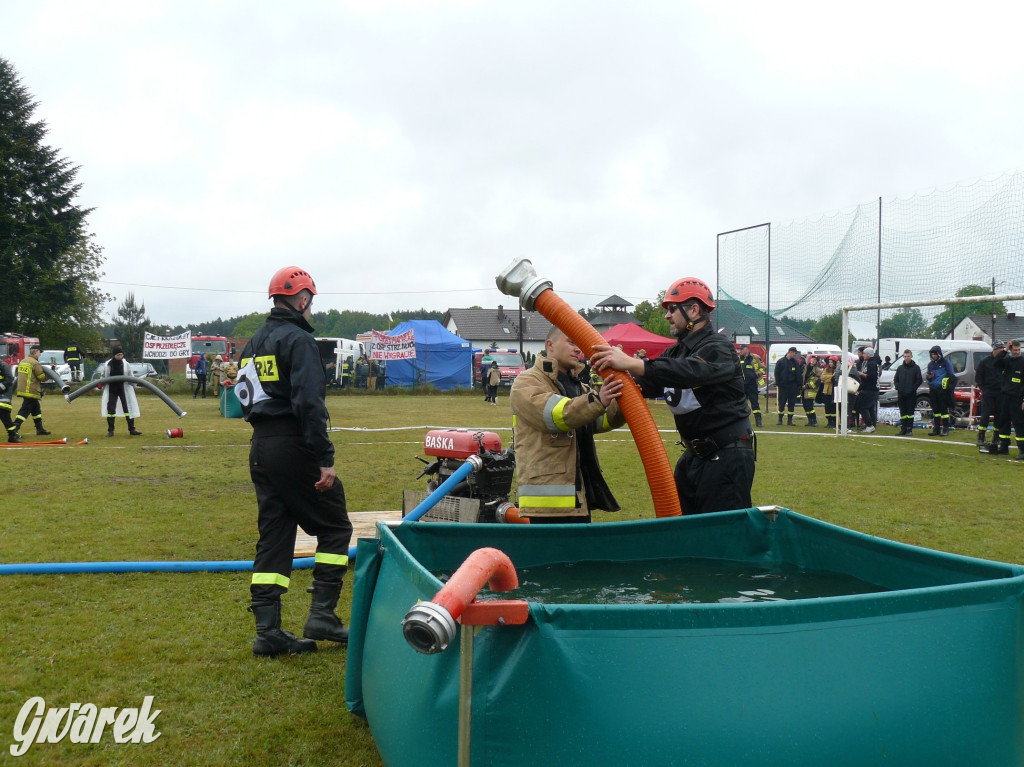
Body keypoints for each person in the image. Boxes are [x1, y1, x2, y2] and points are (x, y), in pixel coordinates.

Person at [238, 266, 352, 657]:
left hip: (261, 447)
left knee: (276, 534)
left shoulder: (253, 343)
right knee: (335, 525)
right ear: (302, 300)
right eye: (311, 302)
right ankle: (323, 614)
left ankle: (268, 632)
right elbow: (308, 403)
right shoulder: (300, 341)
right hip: (292, 445)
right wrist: (323, 459)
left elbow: (244, 399)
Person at [591, 277, 754, 516]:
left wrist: (635, 362)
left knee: (721, 538)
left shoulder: (718, 347)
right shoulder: (676, 351)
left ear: (694, 310)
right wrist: (617, 373)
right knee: (681, 530)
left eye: (672, 309)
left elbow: (689, 372)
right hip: (695, 456)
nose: (667, 316)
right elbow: (650, 381)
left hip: (727, 456)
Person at [511, 327, 625, 523]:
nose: (578, 349)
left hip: (578, 497)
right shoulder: (527, 382)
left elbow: (599, 420)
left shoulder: (577, 386)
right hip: (546, 504)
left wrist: (624, 401)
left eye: (579, 344)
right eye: (571, 342)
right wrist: (598, 400)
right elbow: (559, 415)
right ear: (550, 345)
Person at [10, 345, 51, 439]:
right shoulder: (35, 363)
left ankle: (40, 429)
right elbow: (41, 377)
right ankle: (14, 429)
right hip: (31, 391)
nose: (40, 354)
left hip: (23, 389)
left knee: (36, 409)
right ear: (35, 351)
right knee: (24, 411)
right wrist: (50, 374)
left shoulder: (23, 361)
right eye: (39, 352)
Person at [992, 339, 1024, 457]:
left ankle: (1022, 450)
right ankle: (1004, 446)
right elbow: (996, 363)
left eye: (1018, 350)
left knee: (1019, 424)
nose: (1017, 352)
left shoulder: (1022, 361)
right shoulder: (1007, 360)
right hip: (1005, 396)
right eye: (1014, 350)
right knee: (1003, 422)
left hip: (1017, 398)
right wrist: (1005, 350)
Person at [100, 346, 142, 436]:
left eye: (121, 354)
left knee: (128, 409)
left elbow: (130, 377)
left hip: (123, 389)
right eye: (118, 355)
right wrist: (100, 384)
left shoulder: (126, 364)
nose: (120, 356)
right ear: (114, 355)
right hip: (112, 390)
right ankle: (110, 430)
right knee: (111, 410)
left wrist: (136, 383)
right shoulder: (108, 364)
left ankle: (132, 429)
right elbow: (103, 377)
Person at [975, 341, 1005, 451]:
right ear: (994, 349)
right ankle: (981, 437)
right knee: (985, 414)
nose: (1002, 351)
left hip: (1001, 392)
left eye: (1003, 349)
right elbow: (978, 377)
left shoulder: (1004, 362)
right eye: (1000, 349)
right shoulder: (985, 362)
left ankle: (996, 437)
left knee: (999, 415)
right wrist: (983, 389)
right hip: (988, 391)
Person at [925, 345, 956, 436]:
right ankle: (936, 428)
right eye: (932, 354)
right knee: (935, 410)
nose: (933, 356)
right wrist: (929, 377)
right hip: (933, 389)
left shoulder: (946, 363)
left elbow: (951, 376)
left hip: (942, 389)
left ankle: (946, 429)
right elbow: (928, 377)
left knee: (943, 410)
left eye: (935, 354)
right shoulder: (930, 364)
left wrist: (948, 388)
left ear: (939, 354)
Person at [892, 349, 923, 436]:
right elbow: (896, 379)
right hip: (901, 394)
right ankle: (903, 428)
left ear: (911, 356)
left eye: (908, 356)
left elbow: (919, 380)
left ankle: (909, 429)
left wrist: (913, 389)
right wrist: (898, 387)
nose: (906, 358)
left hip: (911, 394)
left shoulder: (916, 368)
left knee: (910, 413)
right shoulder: (900, 368)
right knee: (903, 412)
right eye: (905, 356)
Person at [738, 344, 765, 427]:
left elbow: (763, 368)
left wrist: (757, 374)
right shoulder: (738, 358)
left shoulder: (755, 357)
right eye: (740, 349)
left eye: (742, 349)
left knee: (754, 403)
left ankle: (758, 421)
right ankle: (743, 422)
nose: (740, 351)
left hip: (752, 384)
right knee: (742, 404)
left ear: (747, 349)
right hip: (742, 385)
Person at [773, 347, 801, 426]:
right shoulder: (781, 362)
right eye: (795, 353)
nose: (795, 355)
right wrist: (779, 383)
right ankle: (780, 420)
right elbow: (777, 373)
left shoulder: (795, 363)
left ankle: (790, 421)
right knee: (782, 403)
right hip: (783, 387)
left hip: (793, 386)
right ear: (790, 352)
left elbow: (798, 374)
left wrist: (799, 384)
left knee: (791, 403)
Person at [855, 346, 879, 433]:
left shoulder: (871, 364)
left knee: (862, 407)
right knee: (870, 408)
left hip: (870, 389)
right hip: (869, 389)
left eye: (864, 353)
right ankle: (872, 425)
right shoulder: (868, 363)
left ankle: (869, 425)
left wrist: (862, 374)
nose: (863, 355)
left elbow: (872, 376)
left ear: (868, 354)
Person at [0, 356, 20, 442]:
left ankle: (12, 436)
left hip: (3, 397)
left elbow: (9, 379)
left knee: (5, 417)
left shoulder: (4, 366)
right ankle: (13, 435)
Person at [800, 355, 821, 427]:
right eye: (812, 359)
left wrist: (806, 386)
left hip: (811, 390)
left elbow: (816, 382)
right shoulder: (806, 368)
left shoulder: (817, 370)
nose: (812, 360)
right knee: (805, 405)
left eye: (814, 360)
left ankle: (814, 420)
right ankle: (809, 420)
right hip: (804, 390)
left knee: (810, 406)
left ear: (817, 362)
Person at [819, 357, 838, 429]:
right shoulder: (826, 370)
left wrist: (827, 378)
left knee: (833, 408)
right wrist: (831, 377)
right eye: (829, 362)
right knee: (827, 407)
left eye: (831, 362)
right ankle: (829, 422)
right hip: (826, 391)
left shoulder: (836, 370)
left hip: (834, 391)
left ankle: (834, 422)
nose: (830, 364)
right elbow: (822, 377)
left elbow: (835, 378)